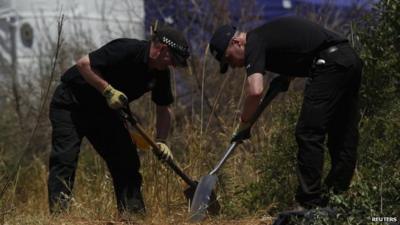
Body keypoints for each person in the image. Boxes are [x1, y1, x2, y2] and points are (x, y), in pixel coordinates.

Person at [209, 16, 363, 209]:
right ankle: (335, 201)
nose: (233, 65)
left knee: (308, 133)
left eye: (229, 58)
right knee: (342, 135)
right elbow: (298, 49)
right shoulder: (266, 38)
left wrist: (244, 122)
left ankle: (309, 204)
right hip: (348, 59)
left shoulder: (254, 41)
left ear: (237, 42)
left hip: (330, 63)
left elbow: (255, 91)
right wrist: (284, 78)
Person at [48, 24, 190, 215]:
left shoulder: (160, 73)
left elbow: (163, 109)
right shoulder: (126, 49)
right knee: (65, 159)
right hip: (71, 104)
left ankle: (133, 215)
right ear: (162, 49)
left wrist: (162, 141)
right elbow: (83, 64)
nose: (172, 65)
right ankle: (59, 215)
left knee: (126, 159)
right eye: (172, 59)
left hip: (104, 111)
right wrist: (107, 90)